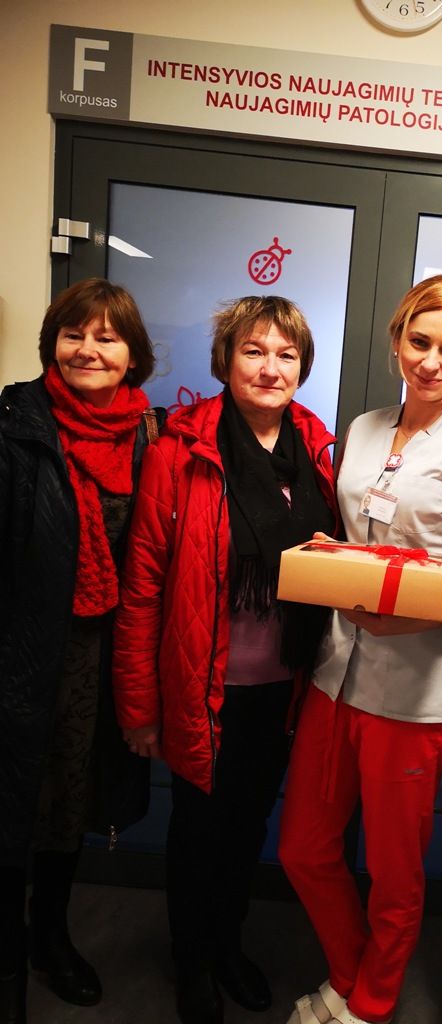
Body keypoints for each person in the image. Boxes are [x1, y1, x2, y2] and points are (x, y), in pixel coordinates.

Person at [279, 274, 442, 1024]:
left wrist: (409, 620)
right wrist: (330, 556)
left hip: (414, 691)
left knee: (394, 872)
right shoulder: (364, 428)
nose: (431, 362)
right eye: (419, 342)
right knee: (304, 848)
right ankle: (350, 973)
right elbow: (359, 538)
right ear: (396, 340)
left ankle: (371, 1004)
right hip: (335, 673)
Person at [112, 295, 338, 1024]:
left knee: (247, 829)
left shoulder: (318, 454)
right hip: (201, 688)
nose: (270, 368)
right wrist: (139, 706)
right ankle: (193, 965)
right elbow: (143, 587)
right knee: (197, 834)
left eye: (286, 355)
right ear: (226, 361)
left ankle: (228, 946)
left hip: (286, 687)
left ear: (301, 367)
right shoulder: (179, 453)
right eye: (254, 351)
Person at [0, 278, 160, 1023]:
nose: (89, 350)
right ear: (52, 345)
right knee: (13, 802)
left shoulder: (149, 438)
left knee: (70, 801)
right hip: (24, 655)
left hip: (105, 658)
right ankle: (8, 952)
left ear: (133, 355)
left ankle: (50, 936)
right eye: (73, 334)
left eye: (107, 337)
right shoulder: (17, 426)